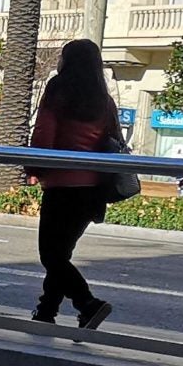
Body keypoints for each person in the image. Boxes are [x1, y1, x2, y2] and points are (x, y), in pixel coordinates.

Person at [28, 38, 120, 330]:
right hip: (93, 189)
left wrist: (33, 166)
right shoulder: (103, 99)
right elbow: (114, 140)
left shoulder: (59, 90)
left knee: (51, 255)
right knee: (61, 254)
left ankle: (88, 303)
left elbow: (45, 131)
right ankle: (45, 313)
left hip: (61, 185)